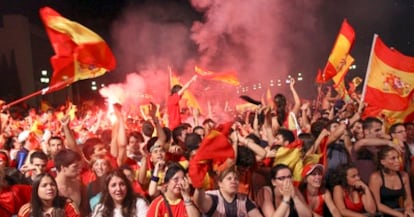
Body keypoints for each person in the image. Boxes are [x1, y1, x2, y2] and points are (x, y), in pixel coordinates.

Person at [193, 165, 263, 217]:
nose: (233, 181)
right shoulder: (213, 197)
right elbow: (199, 202)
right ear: (220, 183)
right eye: (229, 179)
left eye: (236, 179)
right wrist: (199, 186)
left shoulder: (244, 200)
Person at [369, 146, 414, 217]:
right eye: (393, 158)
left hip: (399, 211)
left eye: (398, 157)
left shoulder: (404, 175)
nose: (398, 161)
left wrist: (408, 209)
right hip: (382, 214)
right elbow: (377, 204)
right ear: (383, 162)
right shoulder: (376, 178)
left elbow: (408, 198)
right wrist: (399, 215)